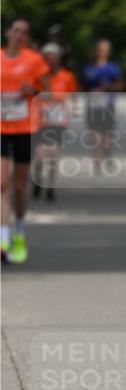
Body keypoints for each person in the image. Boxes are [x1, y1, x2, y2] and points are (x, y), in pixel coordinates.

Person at [1, 18, 50, 263]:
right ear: (8, 32)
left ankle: (18, 230)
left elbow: (47, 91)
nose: (20, 35)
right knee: (0, 184)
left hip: (24, 127)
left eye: (25, 32)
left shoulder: (34, 60)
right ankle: (3, 237)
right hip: (1, 127)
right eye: (17, 30)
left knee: (19, 187)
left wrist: (33, 92)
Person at [32, 43, 78, 201]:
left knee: (54, 155)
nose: (51, 61)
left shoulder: (67, 76)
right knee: (39, 156)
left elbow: (72, 94)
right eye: (48, 58)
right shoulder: (38, 76)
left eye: (54, 57)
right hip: (40, 119)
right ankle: (37, 180)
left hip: (58, 120)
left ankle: (50, 187)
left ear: (59, 59)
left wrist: (73, 108)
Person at [80, 39, 123, 171]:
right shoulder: (88, 68)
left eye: (104, 49)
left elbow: (120, 85)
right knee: (95, 133)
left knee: (106, 135)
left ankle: (107, 152)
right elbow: (81, 85)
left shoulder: (112, 68)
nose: (102, 52)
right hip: (93, 104)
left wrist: (109, 86)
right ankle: (97, 161)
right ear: (96, 51)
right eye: (100, 49)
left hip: (107, 105)